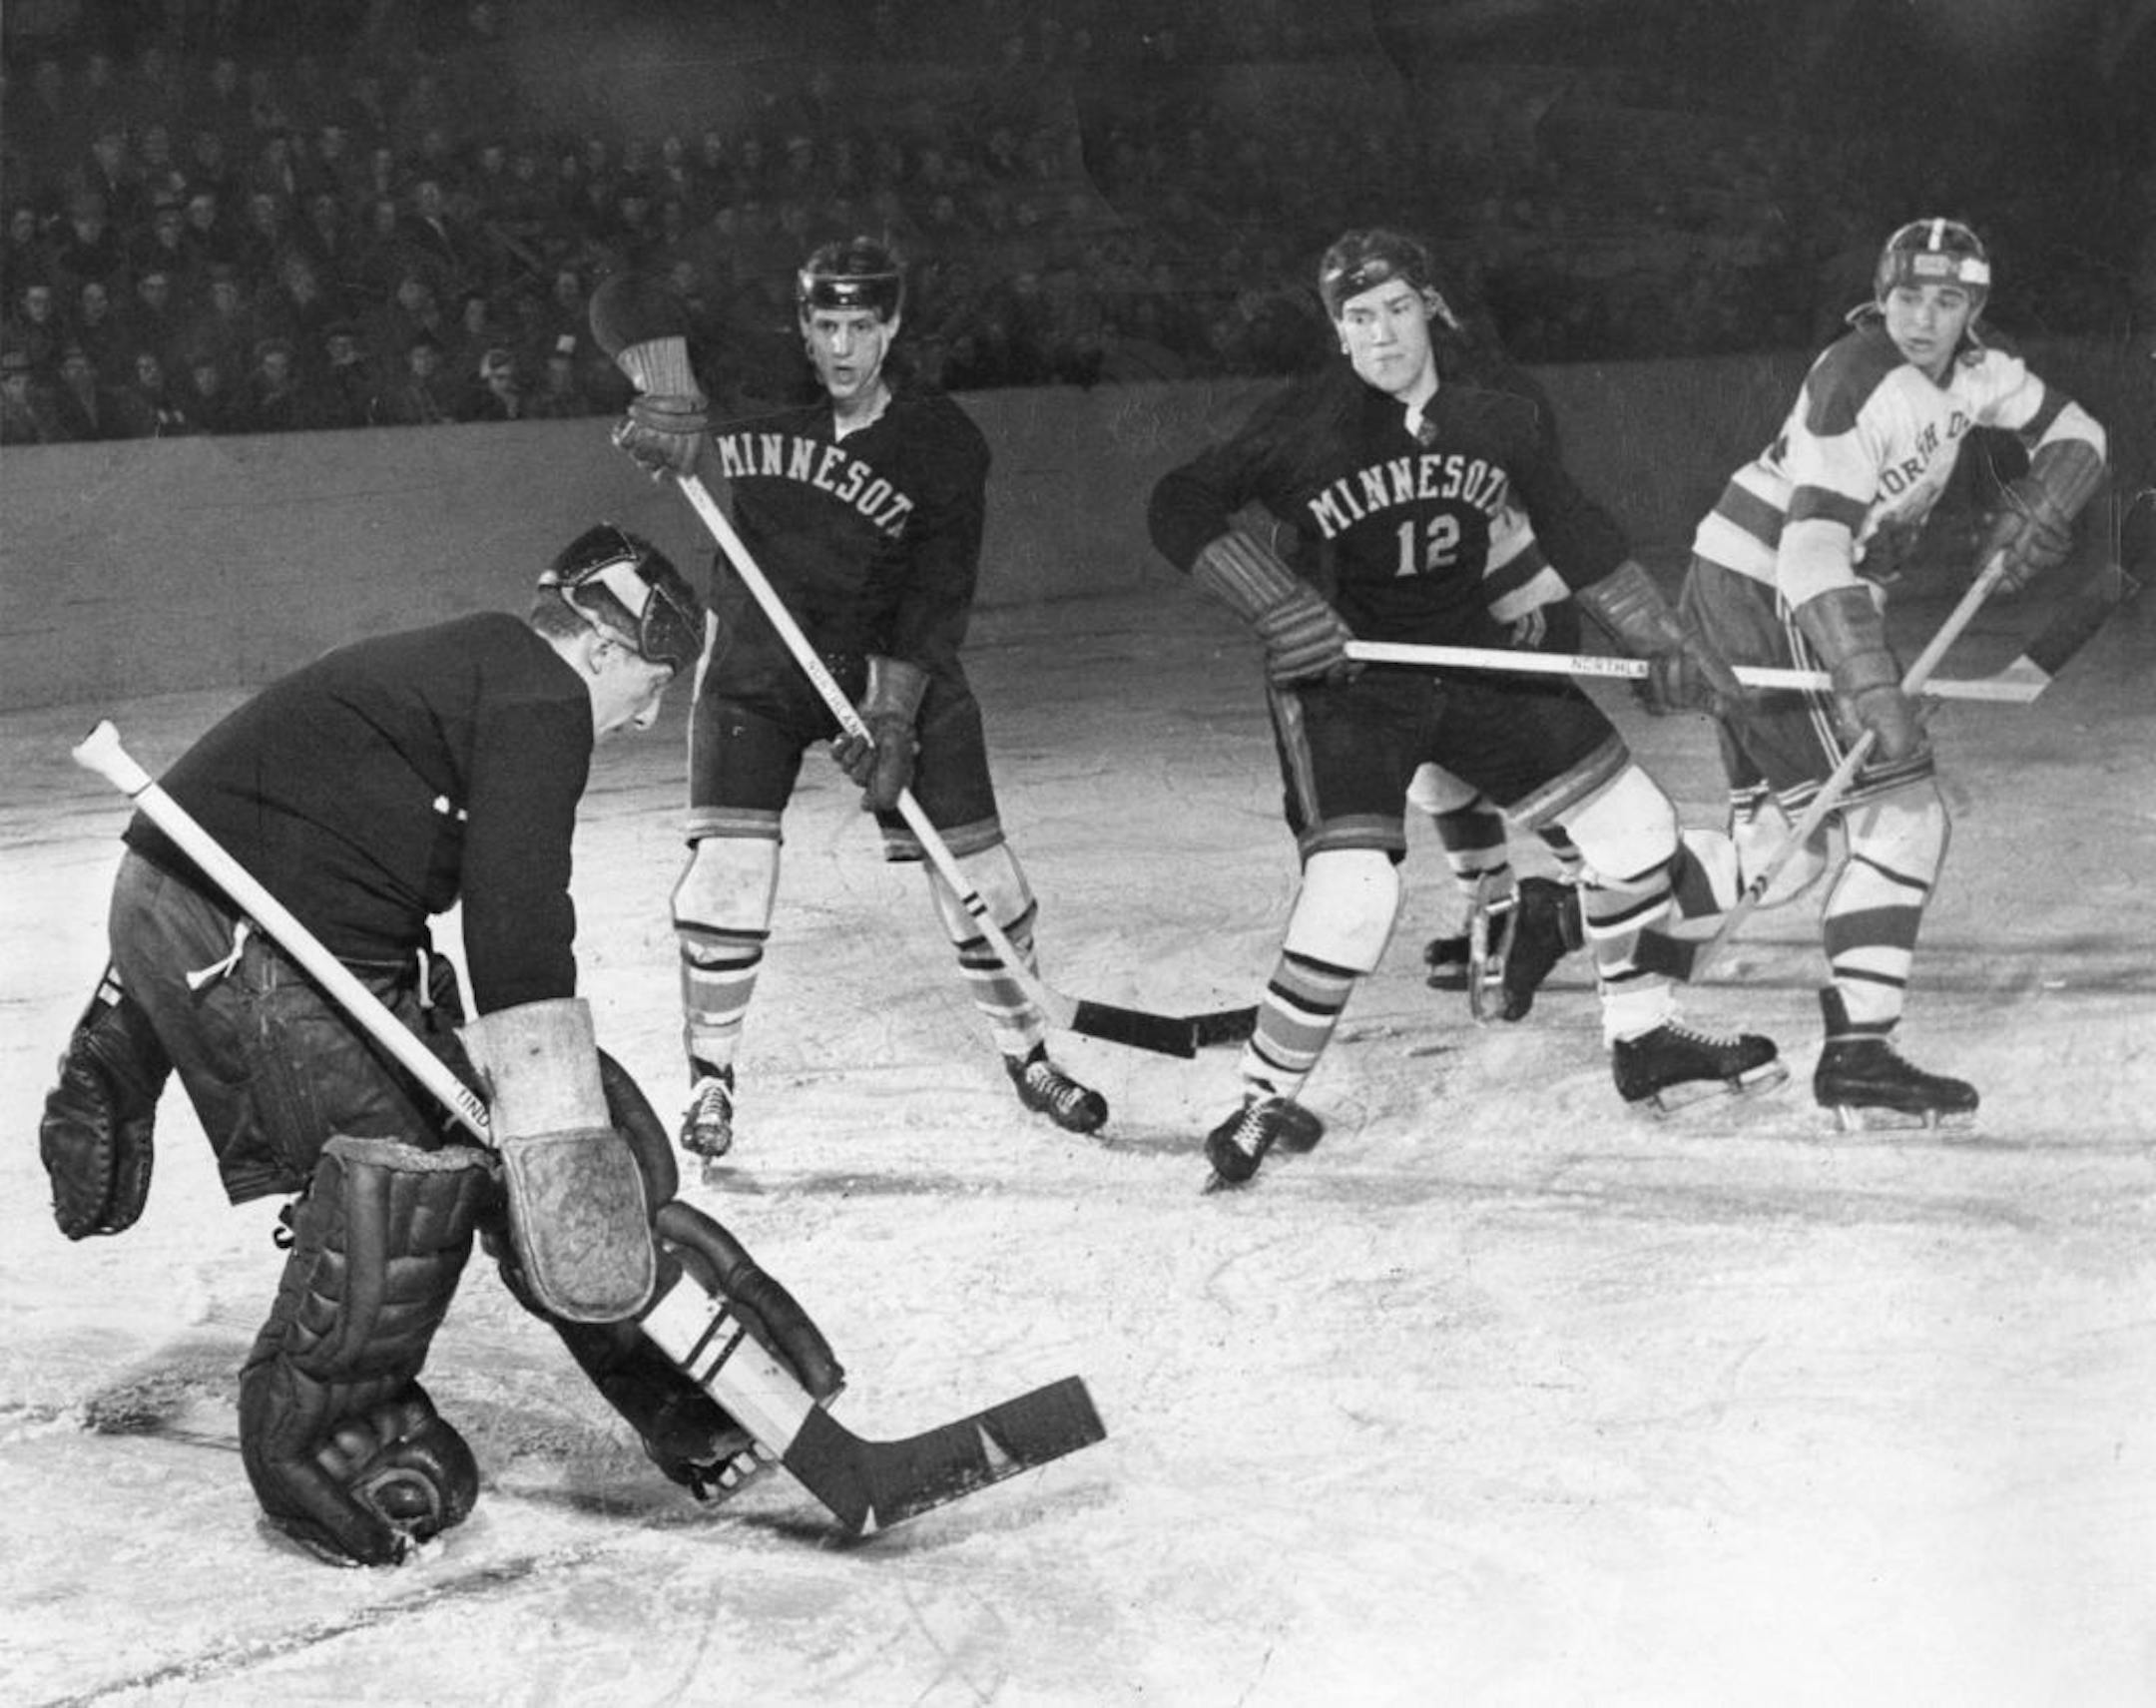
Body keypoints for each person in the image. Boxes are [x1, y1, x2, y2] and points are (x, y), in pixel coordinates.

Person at [37, 526, 838, 1564]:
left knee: (550, 1143)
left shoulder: (488, 669)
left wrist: (559, 1127)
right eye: (651, 685)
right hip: (231, 927)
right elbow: (516, 924)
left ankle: (694, 1395)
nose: (648, 717)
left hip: (292, 920)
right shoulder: (541, 698)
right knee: (415, 1170)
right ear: (601, 648)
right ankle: (324, 1438)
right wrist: (555, 1129)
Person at [1147, 228, 1786, 1186]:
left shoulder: (1499, 415)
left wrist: (1658, 636)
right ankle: (1262, 1099)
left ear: (1431, 309)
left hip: (1466, 656)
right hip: (1348, 682)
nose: (1381, 334)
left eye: (1398, 309)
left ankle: (1643, 1037)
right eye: (1358, 317)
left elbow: (1573, 527)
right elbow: (1178, 501)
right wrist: (1274, 603)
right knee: (1355, 898)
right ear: (1336, 331)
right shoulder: (1303, 421)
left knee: (1639, 831)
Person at [605, 235, 1109, 1167]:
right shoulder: (750, 376)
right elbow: (626, 295)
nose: (842, 348)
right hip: (759, 660)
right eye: (826, 325)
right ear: (802, 324)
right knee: (727, 871)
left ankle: (1030, 1054)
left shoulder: (942, 440)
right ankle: (712, 1075)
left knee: (984, 877)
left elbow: (937, 597)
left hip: (888, 663)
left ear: (894, 326)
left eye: (862, 327)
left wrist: (893, 713)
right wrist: (665, 387)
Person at [1674, 218, 2107, 1128]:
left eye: (1947, 300)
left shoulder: (1979, 371)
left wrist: (2046, 496)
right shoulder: (1855, 378)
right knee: (1905, 817)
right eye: (1908, 295)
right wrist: (1868, 680)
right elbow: (1810, 554)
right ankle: (1859, 1056)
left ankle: (1568, 919)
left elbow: (2079, 431)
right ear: (1881, 294)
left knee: (1782, 852)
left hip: (1764, 586)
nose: (1923, 317)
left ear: (1973, 308)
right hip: (1773, 590)